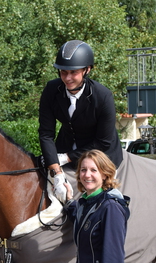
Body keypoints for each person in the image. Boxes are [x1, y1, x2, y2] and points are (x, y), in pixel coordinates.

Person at [39, 40, 122, 201]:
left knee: (103, 197)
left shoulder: (103, 96)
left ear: (87, 69)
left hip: (101, 153)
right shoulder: (51, 90)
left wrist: (66, 157)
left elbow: (103, 142)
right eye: (63, 72)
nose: (67, 78)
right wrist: (56, 171)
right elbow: (46, 133)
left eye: (73, 72)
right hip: (65, 145)